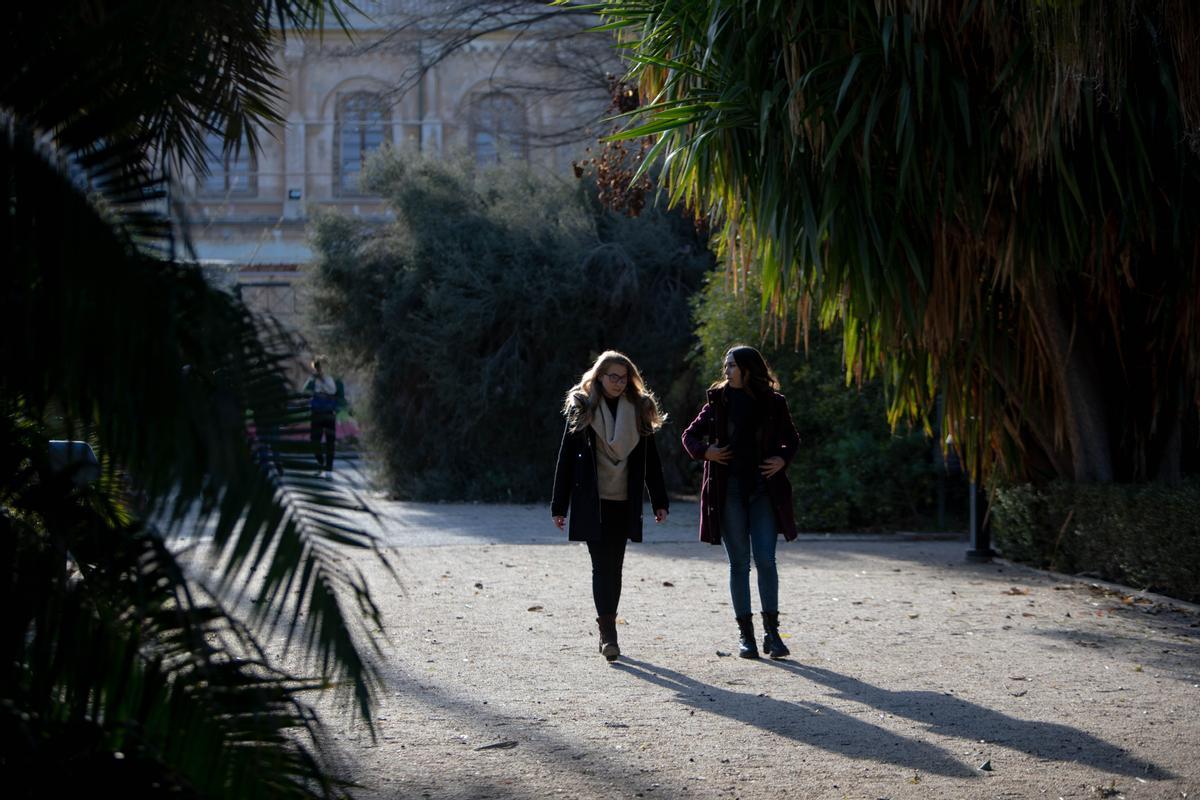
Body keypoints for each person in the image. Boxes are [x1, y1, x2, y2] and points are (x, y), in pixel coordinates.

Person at [681, 345, 800, 659]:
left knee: (766, 560)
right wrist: (706, 452)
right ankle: (745, 636)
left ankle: (772, 635)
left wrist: (782, 459)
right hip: (728, 491)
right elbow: (689, 436)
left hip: (763, 490)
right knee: (738, 564)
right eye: (726, 365)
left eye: (732, 365)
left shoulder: (774, 402)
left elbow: (792, 439)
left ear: (748, 369)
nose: (727, 370)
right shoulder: (717, 400)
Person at [552, 351, 670, 662]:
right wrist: (559, 505)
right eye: (612, 377)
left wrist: (660, 500)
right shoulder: (583, 407)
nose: (618, 383)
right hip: (593, 499)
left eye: (623, 377)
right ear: (599, 377)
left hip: (624, 500)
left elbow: (652, 461)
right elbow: (566, 458)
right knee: (601, 566)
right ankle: (608, 633)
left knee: (614, 567)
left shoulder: (640, 409)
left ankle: (608, 627)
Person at [303, 358, 338, 476]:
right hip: (319, 413)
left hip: (326, 413)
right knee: (317, 440)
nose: (320, 369)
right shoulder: (313, 379)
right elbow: (305, 391)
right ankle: (322, 463)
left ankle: (328, 466)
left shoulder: (332, 378)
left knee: (329, 441)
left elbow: (335, 392)